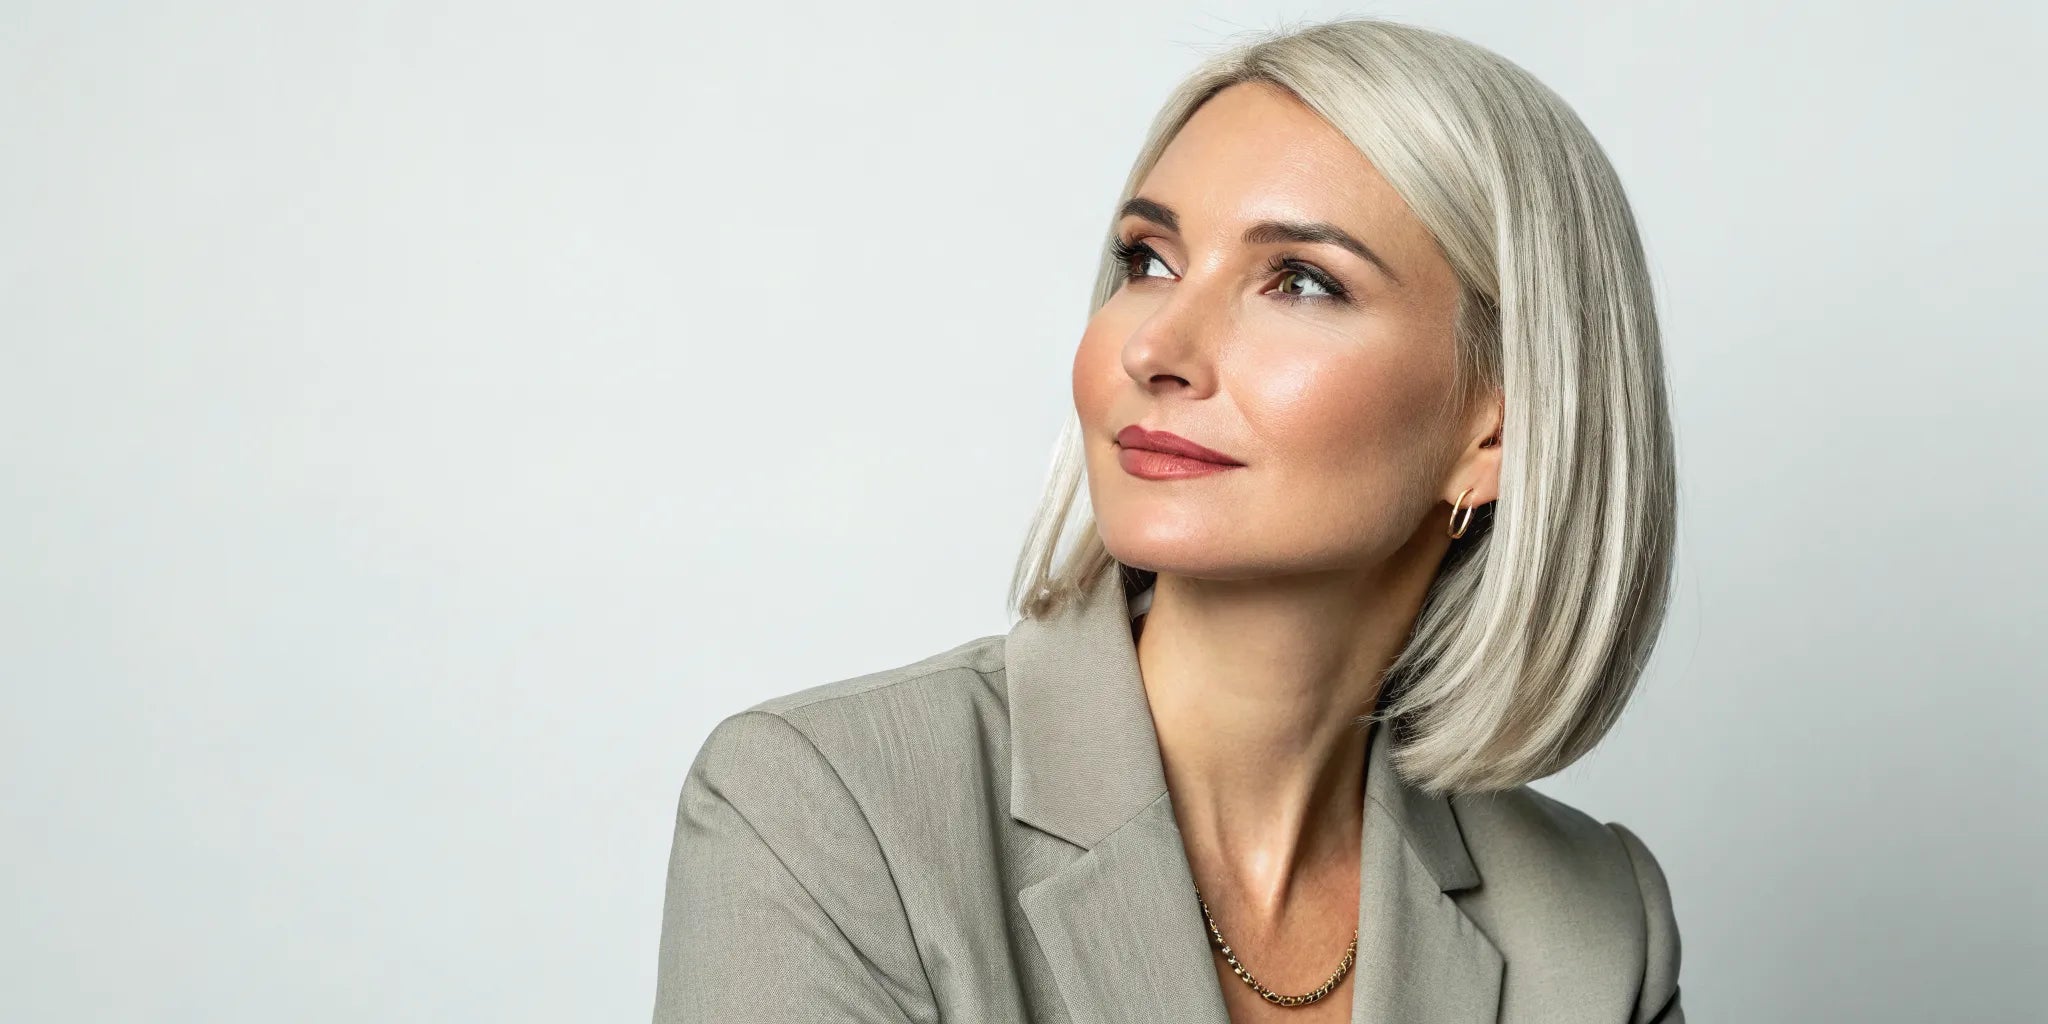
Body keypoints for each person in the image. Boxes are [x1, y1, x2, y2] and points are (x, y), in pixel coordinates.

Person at [653, 16, 1683, 1024]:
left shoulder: (1593, 926)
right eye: (1149, 261)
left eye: (1301, 281)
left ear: (1495, 427)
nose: (1155, 349)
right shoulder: (826, 812)